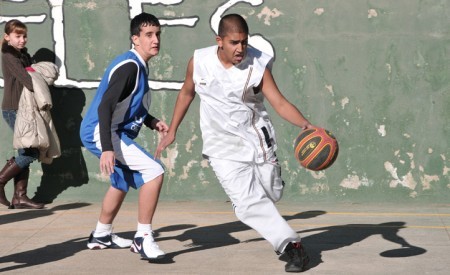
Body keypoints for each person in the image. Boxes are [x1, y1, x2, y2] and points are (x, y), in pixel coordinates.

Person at [156, 14, 314, 272]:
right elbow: (187, 92)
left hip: (257, 140)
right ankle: (291, 246)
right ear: (219, 41)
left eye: (244, 42)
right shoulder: (200, 62)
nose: (240, 48)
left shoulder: (257, 66)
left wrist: (306, 124)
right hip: (221, 148)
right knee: (246, 204)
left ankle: (271, 188)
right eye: (234, 42)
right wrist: (173, 129)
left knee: (272, 193)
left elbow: (279, 102)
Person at [79, 12, 168, 260]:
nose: (155, 40)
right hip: (101, 131)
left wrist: (152, 122)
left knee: (120, 182)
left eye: (158, 34)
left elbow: (128, 104)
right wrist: (107, 147)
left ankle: (101, 234)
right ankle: (143, 237)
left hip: (104, 130)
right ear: (135, 39)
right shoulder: (130, 66)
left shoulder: (138, 65)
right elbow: (105, 105)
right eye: (148, 35)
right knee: (154, 171)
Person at [0, 19, 45, 209]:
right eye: (17, 36)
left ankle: (20, 197)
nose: (22, 40)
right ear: (7, 37)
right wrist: (39, 76)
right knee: (31, 151)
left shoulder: (23, 55)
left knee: (25, 151)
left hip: (25, 109)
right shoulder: (9, 55)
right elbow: (27, 80)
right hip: (14, 109)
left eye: (24, 36)